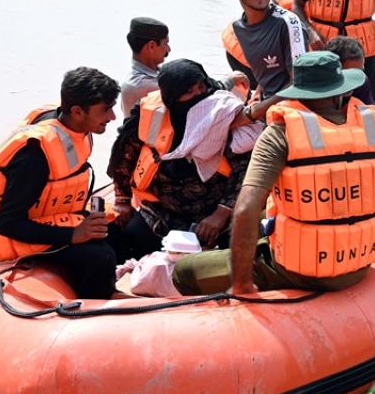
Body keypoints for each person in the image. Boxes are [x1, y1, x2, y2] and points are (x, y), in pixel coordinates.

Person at [172, 51, 375, 296]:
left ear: (297, 91)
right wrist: (370, 247)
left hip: (300, 271)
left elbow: (245, 209)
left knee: (184, 272)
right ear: (342, 90)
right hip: (360, 263)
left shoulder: (280, 134)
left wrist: (242, 284)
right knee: (264, 217)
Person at [0, 67, 121, 299]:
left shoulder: (75, 126)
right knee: (100, 256)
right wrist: (73, 235)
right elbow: (8, 224)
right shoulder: (34, 155)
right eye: (106, 109)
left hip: (54, 216)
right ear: (77, 111)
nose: (112, 117)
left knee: (120, 230)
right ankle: (100, 302)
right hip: (22, 234)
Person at [107, 59, 262, 260]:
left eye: (202, 87)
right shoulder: (152, 118)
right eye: (189, 92)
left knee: (247, 238)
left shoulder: (222, 114)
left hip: (216, 212)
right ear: (172, 98)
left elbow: (246, 170)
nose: (199, 95)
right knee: (129, 239)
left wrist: (221, 214)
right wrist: (122, 200)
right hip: (162, 211)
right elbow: (125, 158)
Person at [220, 0, 308, 123]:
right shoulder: (238, 28)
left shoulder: (288, 23)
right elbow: (268, 72)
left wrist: (252, 113)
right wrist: (259, 94)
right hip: (265, 107)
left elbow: (300, 83)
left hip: (291, 111)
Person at [120, 17, 170, 117]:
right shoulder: (144, 84)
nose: (168, 49)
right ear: (151, 46)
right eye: (165, 43)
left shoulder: (143, 76)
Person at [324, 35, 374, 105]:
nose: (354, 81)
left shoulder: (361, 81)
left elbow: (368, 109)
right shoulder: (318, 87)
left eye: (358, 73)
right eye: (350, 73)